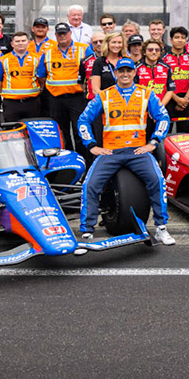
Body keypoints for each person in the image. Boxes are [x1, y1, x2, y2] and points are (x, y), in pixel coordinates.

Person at [75, 58, 174, 244]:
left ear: (134, 73)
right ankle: (87, 231)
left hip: (138, 151)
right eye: (121, 71)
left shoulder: (147, 94)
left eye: (129, 70)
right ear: (115, 73)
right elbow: (83, 120)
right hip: (111, 152)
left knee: (158, 180)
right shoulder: (104, 95)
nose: (125, 74)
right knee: (90, 185)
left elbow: (163, 117)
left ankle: (161, 228)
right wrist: (91, 145)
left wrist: (154, 142)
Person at [39, 22, 90, 151]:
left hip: (77, 97)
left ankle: (84, 160)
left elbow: (91, 70)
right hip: (56, 99)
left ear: (70, 33)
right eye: (59, 34)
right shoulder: (48, 53)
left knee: (80, 130)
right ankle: (65, 160)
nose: (62, 36)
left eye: (65, 33)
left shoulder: (84, 49)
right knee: (61, 132)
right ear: (55, 35)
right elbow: (41, 75)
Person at [0, 31, 43, 124]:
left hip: (32, 102)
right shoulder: (2, 59)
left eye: (23, 40)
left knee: (32, 130)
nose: (20, 43)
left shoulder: (37, 58)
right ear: (12, 44)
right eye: (17, 41)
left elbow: (42, 78)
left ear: (29, 43)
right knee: (12, 131)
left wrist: (40, 89)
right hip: (11, 103)